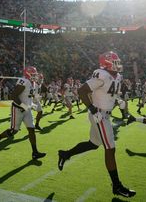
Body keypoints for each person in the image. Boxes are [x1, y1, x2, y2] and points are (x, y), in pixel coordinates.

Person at [58, 51, 136, 198]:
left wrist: (118, 100)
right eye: (115, 62)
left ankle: (65, 154)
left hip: (105, 114)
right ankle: (117, 186)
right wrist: (94, 110)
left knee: (93, 144)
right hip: (99, 115)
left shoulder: (117, 76)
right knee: (110, 148)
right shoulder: (101, 74)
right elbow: (82, 91)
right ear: (106, 64)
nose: (118, 65)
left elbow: (110, 93)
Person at [0, 66, 46, 160]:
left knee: (31, 130)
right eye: (33, 74)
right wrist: (24, 106)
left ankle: (35, 152)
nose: (35, 76)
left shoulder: (32, 83)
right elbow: (14, 95)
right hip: (18, 108)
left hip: (27, 109)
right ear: (28, 74)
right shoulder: (23, 81)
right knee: (14, 131)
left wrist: (34, 102)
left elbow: (31, 94)